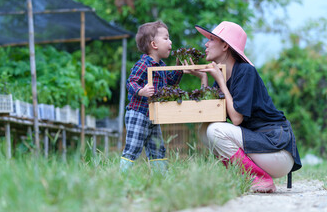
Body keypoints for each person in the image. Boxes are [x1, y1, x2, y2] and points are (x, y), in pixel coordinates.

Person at [185, 21, 302, 193]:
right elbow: (211, 116)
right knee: (205, 130)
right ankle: (244, 175)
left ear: (225, 45)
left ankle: (259, 179)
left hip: (277, 150)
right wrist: (204, 78)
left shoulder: (246, 71)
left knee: (214, 131)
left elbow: (236, 119)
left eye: (211, 39)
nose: (206, 44)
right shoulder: (223, 75)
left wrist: (220, 83)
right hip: (259, 147)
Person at [120, 20, 183, 173]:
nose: (170, 41)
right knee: (134, 146)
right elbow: (131, 82)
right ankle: (123, 176)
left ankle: (161, 176)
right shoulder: (143, 64)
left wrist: (180, 68)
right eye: (166, 38)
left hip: (153, 115)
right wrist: (141, 91)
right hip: (138, 113)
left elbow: (171, 82)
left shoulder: (161, 66)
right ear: (154, 44)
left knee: (157, 147)